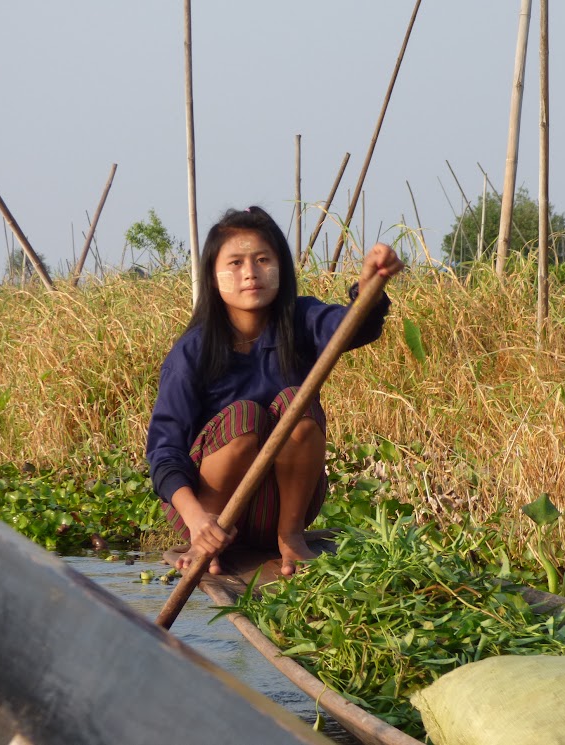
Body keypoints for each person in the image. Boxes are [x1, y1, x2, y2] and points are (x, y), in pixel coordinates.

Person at [145, 206, 403, 576]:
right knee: (245, 416)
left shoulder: (301, 319)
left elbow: (352, 327)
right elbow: (164, 451)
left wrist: (368, 290)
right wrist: (198, 521)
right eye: (235, 263)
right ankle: (208, 543)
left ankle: (291, 540)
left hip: (281, 509)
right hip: (211, 513)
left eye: (263, 259)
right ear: (213, 277)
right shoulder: (192, 352)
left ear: (280, 267)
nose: (250, 273)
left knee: (294, 403)